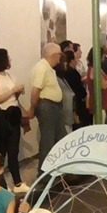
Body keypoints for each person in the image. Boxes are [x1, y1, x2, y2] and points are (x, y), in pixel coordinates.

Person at [0, 48, 29, 193]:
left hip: (13, 114)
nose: (10, 60)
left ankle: (17, 182)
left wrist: (17, 93)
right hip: (1, 115)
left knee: (14, 150)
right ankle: (1, 184)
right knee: (1, 151)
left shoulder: (9, 76)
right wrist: (12, 91)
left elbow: (12, 98)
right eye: (8, 58)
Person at [27, 43, 64, 173]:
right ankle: (44, 174)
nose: (60, 58)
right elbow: (35, 90)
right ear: (53, 55)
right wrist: (32, 108)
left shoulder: (48, 68)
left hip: (53, 106)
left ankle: (59, 170)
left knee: (59, 138)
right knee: (48, 140)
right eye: (59, 55)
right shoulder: (41, 68)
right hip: (47, 106)